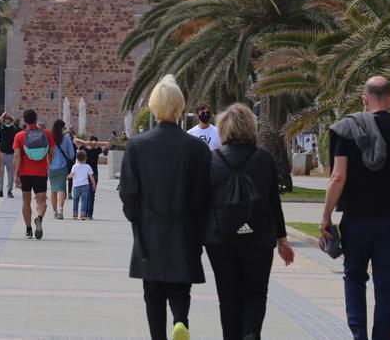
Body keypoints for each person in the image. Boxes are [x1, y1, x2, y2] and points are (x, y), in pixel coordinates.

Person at [320, 76, 390, 340]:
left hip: (357, 220)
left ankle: (358, 335)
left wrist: (325, 217)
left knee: (355, 278)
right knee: (387, 286)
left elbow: (338, 177)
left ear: (364, 99)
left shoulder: (346, 130)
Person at [119, 74, 211, 340]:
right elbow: (204, 195)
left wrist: (135, 216)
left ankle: (158, 336)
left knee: (153, 290)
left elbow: (128, 192)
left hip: (149, 229)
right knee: (181, 286)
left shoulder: (137, 146)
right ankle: (180, 320)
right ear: (180, 106)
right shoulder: (197, 148)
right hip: (185, 229)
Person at [204, 103, 294, 340]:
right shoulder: (264, 159)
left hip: (220, 240)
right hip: (259, 238)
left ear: (223, 128)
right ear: (251, 127)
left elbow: (203, 203)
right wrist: (282, 240)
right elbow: (274, 203)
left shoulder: (211, 161)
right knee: (256, 293)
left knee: (228, 295)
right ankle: (251, 333)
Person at [13, 109, 56, 239]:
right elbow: (52, 150)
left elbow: (17, 156)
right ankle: (39, 218)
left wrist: (16, 174)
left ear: (24, 120)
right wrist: (49, 161)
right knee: (41, 202)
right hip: (40, 173)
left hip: (25, 173)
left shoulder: (19, 136)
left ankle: (28, 229)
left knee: (26, 202)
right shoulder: (46, 134)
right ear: (36, 118)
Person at [47, 120, 77, 219]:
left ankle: (55, 211)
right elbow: (72, 154)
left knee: (53, 190)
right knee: (61, 189)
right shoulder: (66, 139)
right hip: (62, 167)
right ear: (62, 128)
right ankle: (60, 209)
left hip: (51, 167)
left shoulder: (49, 138)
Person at [76, 135, 111, 219]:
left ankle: (89, 214)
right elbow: (75, 140)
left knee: (91, 195)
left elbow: (108, 144)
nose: (91, 143)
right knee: (84, 194)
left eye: (92, 141)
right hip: (83, 174)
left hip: (94, 174)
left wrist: (97, 143)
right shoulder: (83, 149)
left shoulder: (97, 150)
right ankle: (83, 213)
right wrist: (85, 142)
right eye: (90, 141)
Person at [0, 112, 21, 198]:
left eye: (8, 119)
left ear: (11, 120)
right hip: (1, 153)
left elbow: (21, 131)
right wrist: (1, 116)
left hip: (11, 153)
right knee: (0, 172)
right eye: (5, 119)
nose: (7, 121)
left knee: (10, 173)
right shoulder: (2, 127)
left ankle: (9, 190)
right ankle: (0, 190)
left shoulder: (15, 128)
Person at [70, 150, 96, 220]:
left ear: (77, 158)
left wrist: (67, 177)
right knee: (84, 200)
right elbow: (91, 176)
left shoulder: (74, 166)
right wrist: (94, 184)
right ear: (86, 158)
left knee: (76, 200)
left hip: (76, 186)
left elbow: (72, 175)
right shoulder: (87, 166)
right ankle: (83, 214)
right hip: (85, 185)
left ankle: (75, 214)